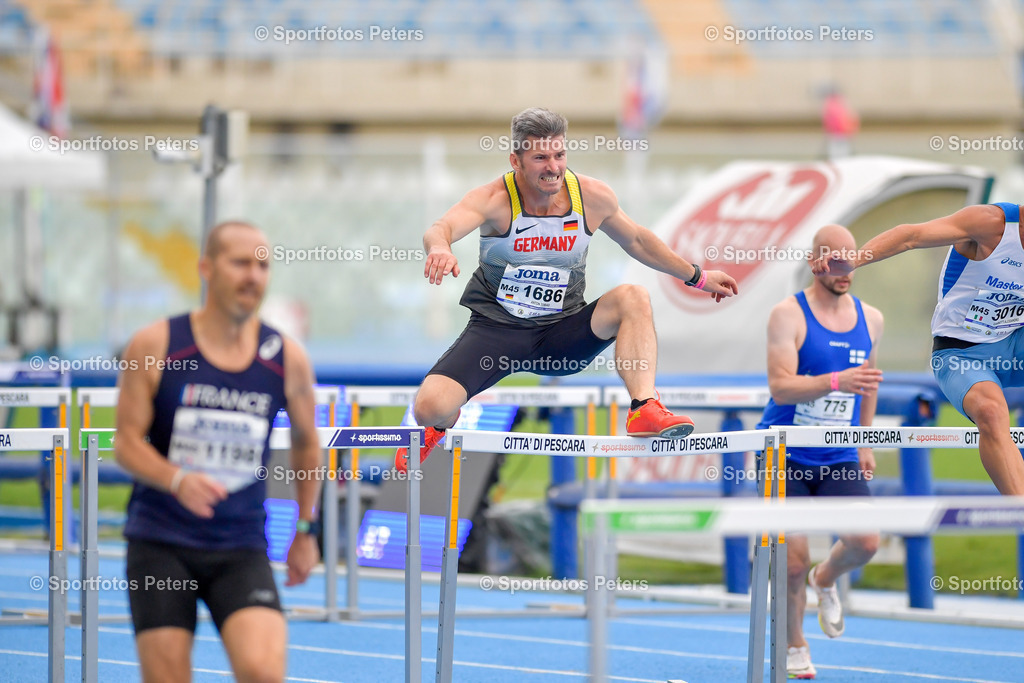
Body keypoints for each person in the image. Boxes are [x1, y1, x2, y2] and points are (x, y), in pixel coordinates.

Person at [396, 107, 739, 470]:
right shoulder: (494, 199)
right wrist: (439, 248)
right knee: (428, 406)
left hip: (564, 333)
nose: (553, 167)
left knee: (633, 296)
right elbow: (441, 227)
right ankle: (439, 426)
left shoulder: (591, 196)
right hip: (497, 333)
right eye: (540, 157)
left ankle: (644, 408)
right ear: (516, 161)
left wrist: (697, 277)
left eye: (559, 155)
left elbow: (637, 240)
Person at [115, 221, 322, 682]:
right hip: (161, 544)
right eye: (241, 263)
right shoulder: (155, 345)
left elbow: (309, 442)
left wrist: (306, 529)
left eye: (263, 265)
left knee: (264, 673)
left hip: (240, 546)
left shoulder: (286, 357)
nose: (254, 275)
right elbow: (126, 442)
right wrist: (177, 479)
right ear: (206, 268)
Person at [812, 202, 1024, 495]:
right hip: (962, 353)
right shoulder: (991, 224)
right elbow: (910, 235)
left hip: (1014, 346)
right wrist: (855, 260)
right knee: (991, 412)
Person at [758, 225, 883, 679]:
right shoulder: (786, 314)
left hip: (837, 454)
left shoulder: (871, 318)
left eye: (852, 260)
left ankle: (825, 579)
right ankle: (795, 641)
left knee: (866, 542)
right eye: (835, 260)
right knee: (791, 561)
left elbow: (866, 383)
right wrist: (835, 382)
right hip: (784, 452)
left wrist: (865, 439)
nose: (845, 269)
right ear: (815, 262)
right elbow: (780, 387)